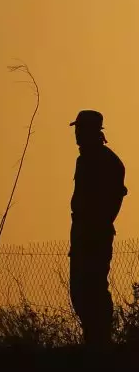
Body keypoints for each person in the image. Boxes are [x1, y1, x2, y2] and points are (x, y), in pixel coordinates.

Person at [68, 110, 127, 348]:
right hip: (81, 233)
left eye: (81, 129)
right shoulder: (84, 160)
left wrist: (99, 225)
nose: (77, 134)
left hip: (95, 234)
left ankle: (101, 341)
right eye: (77, 129)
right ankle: (93, 339)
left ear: (94, 132)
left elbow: (115, 197)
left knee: (94, 287)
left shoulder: (107, 161)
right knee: (79, 289)